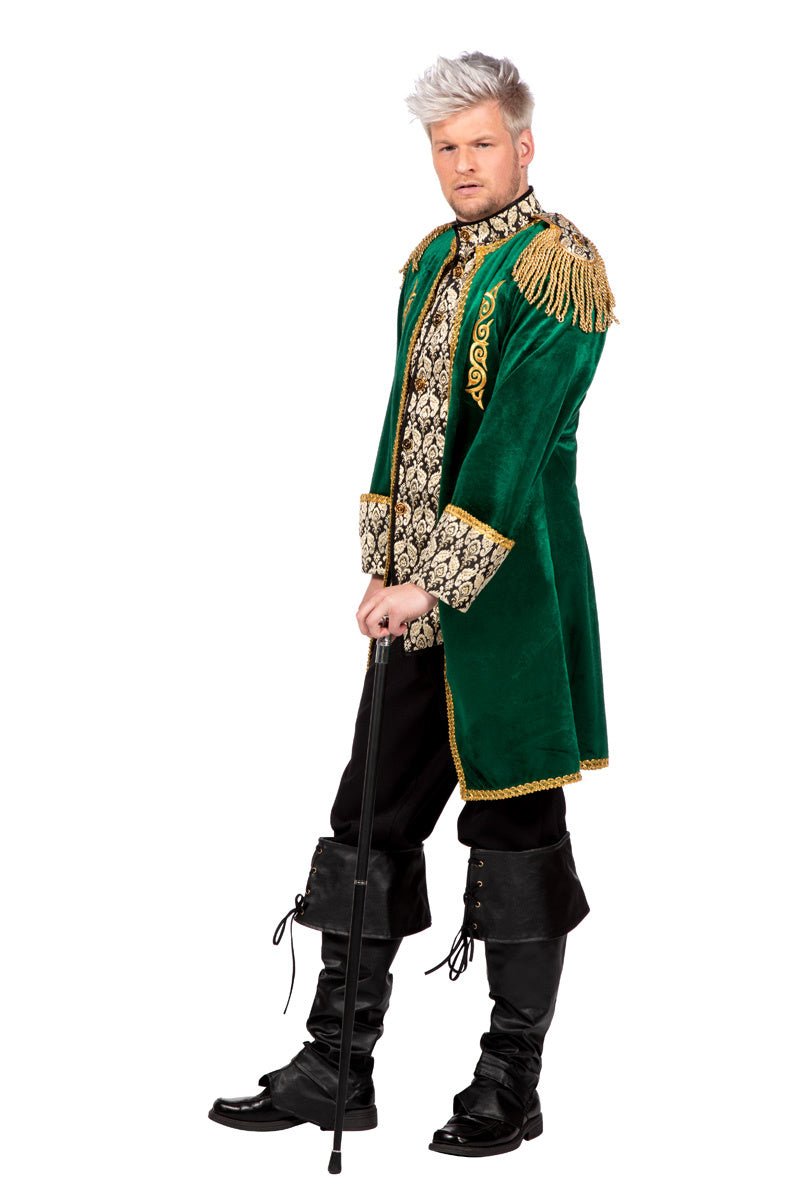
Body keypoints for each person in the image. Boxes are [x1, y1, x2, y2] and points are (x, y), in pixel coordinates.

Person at [208, 50, 617, 1158]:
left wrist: (429, 574)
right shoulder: (432, 259)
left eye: (481, 143)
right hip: (414, 600)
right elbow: (405, 424)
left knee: (515, 831)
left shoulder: (559, 272)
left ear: (523, 146)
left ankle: (509, 1082)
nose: (462, 164)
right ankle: (335, 1064)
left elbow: (512, 447)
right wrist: (387, 564)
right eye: (445, 147)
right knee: (367, 820)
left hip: (513, 603)